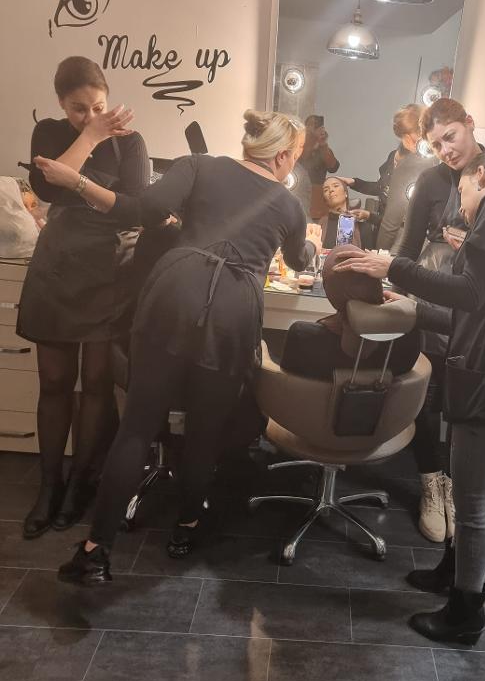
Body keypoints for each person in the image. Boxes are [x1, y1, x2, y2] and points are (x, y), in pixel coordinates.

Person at [32, 109, 322, 585]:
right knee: (205, 430)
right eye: (297, 156)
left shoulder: (199, 166)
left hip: (174, 290)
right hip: (232, 307)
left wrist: (80, 185)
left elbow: (142, 210)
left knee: (137, 426)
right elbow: (298, 259)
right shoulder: (289, 206)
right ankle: (185, 527)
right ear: (283, 156)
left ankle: (95, 550)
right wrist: (310, 247)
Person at [335, 149, 485, 645]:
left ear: (479, 176)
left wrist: (392, 265)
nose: (462, 209)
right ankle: (452, 573)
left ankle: (465, 613)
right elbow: (475, 311)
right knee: (468, 495)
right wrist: (416, 308)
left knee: (473, 507)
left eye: (463, 194)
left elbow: (468, 291)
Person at [17, 56, 149, 540]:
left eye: (98, 106)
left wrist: (76, 180)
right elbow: (45, 189)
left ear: (108, 97)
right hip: (57, 266)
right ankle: (48, 485)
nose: (90, 116)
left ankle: (79, 483)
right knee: (54, 382)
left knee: (95, 384)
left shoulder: (131, 142)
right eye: (78, 109)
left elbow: (134, 209)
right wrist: (90, 137)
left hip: (108, 270)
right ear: (61, 104)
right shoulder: (50, 133)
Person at [395, 98, 483, 543]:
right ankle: (432, 484)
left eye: (450, 136)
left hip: (479, 307)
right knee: (428, 397)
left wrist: (474, 243)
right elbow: (408, 249)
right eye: (436, 144)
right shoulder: (430, 180)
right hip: (431, 301)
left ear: (469, 123)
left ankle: (459, 486)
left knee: (465, 400)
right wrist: (392, 283)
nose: (446, 150)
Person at [280, 244, 420, 380]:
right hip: (385, 398)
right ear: (377, 283)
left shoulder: (302, 336)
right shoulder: (408, 338)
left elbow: (286, 384)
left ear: (330, 290)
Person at [338, 104, 432, 250]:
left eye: (418, 135)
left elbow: (395, 217)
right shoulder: (393, 157)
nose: (412, 141)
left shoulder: (421, 163)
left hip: (404, 232)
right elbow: (383, 187)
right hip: (384, 225)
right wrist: (355, 183)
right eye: (406, 136)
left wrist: (380, 251)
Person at [298, 115, 340, 219]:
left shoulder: (323, 148)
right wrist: (312, 141)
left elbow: (333, 167)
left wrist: (323, 144)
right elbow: (301, 160)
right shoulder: (299, 146)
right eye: (312, 125)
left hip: (318, 201)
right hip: (299, 193)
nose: (314, 128)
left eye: (317, 125)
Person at [319, 177, 363, 248]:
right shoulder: (319, 226)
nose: (331, 190)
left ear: (345, 193)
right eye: (326, 190)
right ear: (325, 200)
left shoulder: (361, 225)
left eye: (336, 186)